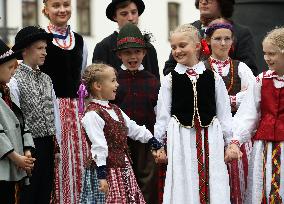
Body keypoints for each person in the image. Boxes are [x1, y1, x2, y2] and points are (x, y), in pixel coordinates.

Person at [154, 23, 233, 203]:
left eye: (182, 45)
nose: (177, 51)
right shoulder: (170, 80)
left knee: (213, 177)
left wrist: (230, 142)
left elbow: (224, 112)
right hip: (181, 138)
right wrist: (158, 144)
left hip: (210, 136)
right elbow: (163, 115)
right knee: (184, 176)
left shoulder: (213, 77)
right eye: (173, 47)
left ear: (197, 46)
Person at [81, 63, 166, 203]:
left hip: (123, 168)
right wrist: (102, 176)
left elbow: (133, 128)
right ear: (98, 86)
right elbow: (99, 146)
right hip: (106, 171)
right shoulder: (92, 114)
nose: (117, 85)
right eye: (113, 81)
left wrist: (153, 141)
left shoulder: (114, 109)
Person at [226, 27, 284, 203]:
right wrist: (236, 141)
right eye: (265, 53)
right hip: (264, 146)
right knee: (263, 188)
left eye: (272, 54)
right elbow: (249, 114)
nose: (267, 58)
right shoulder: (262, 80)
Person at [40, 0, 89, 203]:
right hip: (52, 109)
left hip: (77, 109)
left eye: (66, 4)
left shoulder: (79, 40)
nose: (62, 10)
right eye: (56, 5)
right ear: (45, 10)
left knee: (80, 158)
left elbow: (83, 74)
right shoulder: (41, 39)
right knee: (58, 160)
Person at [204, 19, 255, 203]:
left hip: (237, 129)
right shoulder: (202, 69)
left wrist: (230, 100)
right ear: (208, 41)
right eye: (218, 38)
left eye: (227, 38)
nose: (223, 43)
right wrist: (233, 99)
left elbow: (252, 97)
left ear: (233, 41)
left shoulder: (241, 67)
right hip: (211, 131)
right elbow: (202, 100)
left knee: (240, 180)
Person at [9, 26, 60, 204]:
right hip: (29, 146)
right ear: (24, 50)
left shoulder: (47, 79)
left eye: (45, 48)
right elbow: (15, 117)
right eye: (39, 48)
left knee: (45, 192)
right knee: (28, 193)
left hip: (47, 143)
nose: (45, 52)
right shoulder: (14, 79)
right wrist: (22, 148)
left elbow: (55, 113)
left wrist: (57, 143)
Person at [113, 23, 160, 204]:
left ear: (144, 53)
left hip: (146, 140)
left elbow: (158, 111)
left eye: (137, 52)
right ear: (119, 55)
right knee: (123, 180)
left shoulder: (152, 80)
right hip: (120, 141)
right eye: (127, 53)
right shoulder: (113, 79)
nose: (133, 57)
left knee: (147, 180)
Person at [163, 0, 257, 76]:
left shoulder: (241, 33)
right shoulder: (186, 31)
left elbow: (250, 71)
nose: (203, 2)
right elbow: (170, 67)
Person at [0, 39, 35, 204]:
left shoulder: (7, 92)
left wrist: (27, 150)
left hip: (15, 165)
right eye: (9, 67)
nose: (13, 72)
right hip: (3, 168)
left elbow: (21, 121)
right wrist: (16, 158)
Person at [92, 0, 160, 79]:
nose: (130, 18)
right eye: (124, 14)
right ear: (115, 16)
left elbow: (157, 85)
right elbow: (97, 84)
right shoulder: (103, 47)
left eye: (134, 12)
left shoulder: (149, 48)